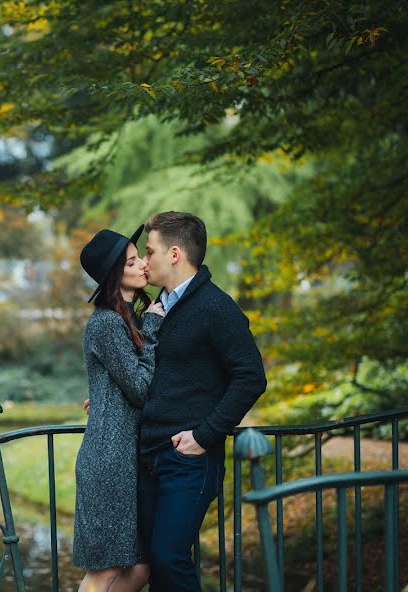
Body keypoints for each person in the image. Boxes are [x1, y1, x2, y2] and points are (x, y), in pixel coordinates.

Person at [138, 211, 267, 592]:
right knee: (153, 566)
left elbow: (251, 377)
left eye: (151, 251)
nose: (145, 260)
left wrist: (206, 435)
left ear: (175, 253)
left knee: (168, 556)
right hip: (145, 456)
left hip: (188, 460)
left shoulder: (216, 308)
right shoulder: (155, 309)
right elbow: (146, 374)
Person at [73, 225, 167, 592]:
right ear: (116, 275)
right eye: (132, 261)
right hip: (109, 463)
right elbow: (142, 389)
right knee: (105, 571)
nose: (144, 263)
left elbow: (123, 377)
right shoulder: (109, 323)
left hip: (126, 460)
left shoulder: (127, 319)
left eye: (140, 256)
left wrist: (104, 398)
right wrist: (155, 328)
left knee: (140, 571)